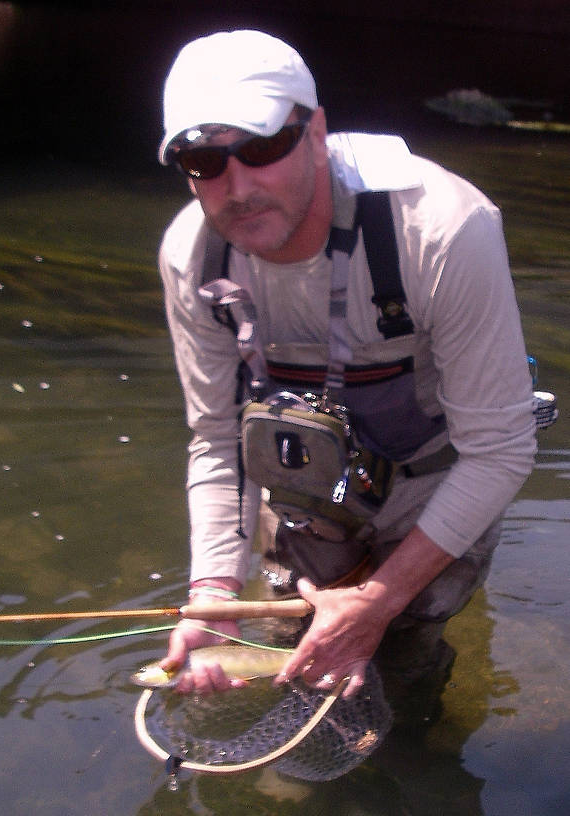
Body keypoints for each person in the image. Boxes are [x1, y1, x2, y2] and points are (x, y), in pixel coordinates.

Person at [156, 29, 536, 698]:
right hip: (306, 489)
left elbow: (500, 451)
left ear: (316, 130)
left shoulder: (443, 229)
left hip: (435, 481)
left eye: (263, 147)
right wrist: (214, 590)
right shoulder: (192, 258)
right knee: (296, 655)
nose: (237, 186)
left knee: (406, 650)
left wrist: (381, 600)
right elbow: (217, 441)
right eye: (203, 161)